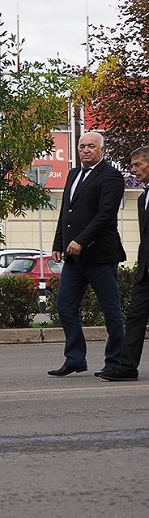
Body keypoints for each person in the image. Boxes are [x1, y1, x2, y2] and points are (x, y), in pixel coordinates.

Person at [48, 131, 126, 377]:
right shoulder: (73, 174)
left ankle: (115, 361)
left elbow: (105, 215)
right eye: (82, 146)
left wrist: (81, 241)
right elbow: (66, 213)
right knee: (65, 306)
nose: (85, 150)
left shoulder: (111, 177)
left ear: (102, 150)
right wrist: (58, 243)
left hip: (101, 256)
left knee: (111, 309)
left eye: (91, 146)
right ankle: (75, 358)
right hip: (73, 258)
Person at [98, 146, 149, 381]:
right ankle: (127, 366)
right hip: (145, 271)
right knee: (136, 316)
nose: (134, 169)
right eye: (133, 165)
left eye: (139, 164)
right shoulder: (142, 198)